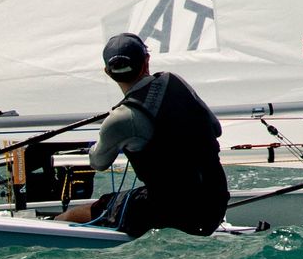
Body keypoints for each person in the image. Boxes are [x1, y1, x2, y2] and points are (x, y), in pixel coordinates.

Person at [56, 32, 229, 236]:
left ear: (108, 72)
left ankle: (53, 224)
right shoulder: (175, 81)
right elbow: (215, 129)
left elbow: (98, 162)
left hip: (171, 215)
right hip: (214, 205)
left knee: (72, 216)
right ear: (146, 61)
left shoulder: (121, 118)